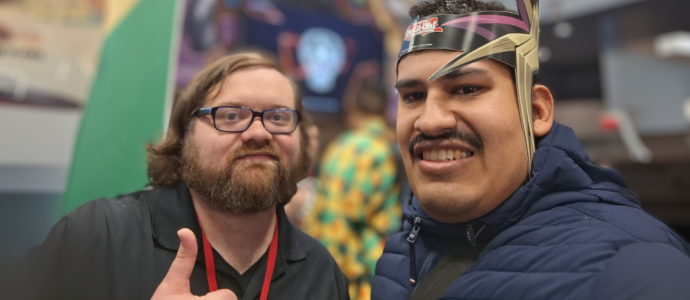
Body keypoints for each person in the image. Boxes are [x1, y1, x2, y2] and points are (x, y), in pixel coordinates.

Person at [372, 1, 690, 300]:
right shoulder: (401, 252)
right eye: (413, 96)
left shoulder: (633, 271)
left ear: (536, 111)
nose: (430, 122)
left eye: (467, 89)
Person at [15, 53, 349, 300]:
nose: (259, 132)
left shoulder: (322, 273)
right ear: (184, 135)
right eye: (231, 115)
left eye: (278, 117)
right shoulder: (97, 235)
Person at [304, 82, 401, 300]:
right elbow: (367, 217)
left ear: (352, 108)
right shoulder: (386, 150)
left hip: (326, 267)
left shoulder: (338, 146)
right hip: (363, 275)